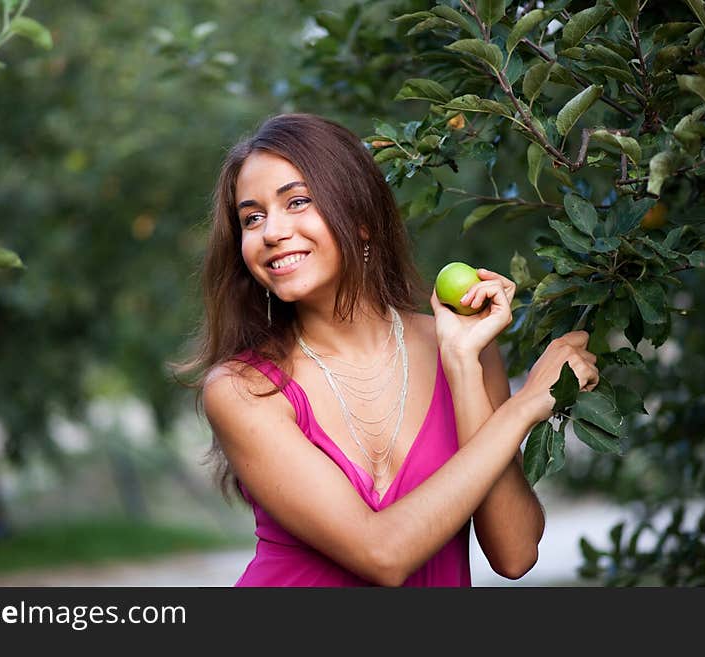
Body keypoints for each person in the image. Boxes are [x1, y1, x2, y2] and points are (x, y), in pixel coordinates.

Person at [175, 113, 599, 587]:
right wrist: (523, 408)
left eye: (297, 202)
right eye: (252, 217)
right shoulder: (243, 389)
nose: (271, 231)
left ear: (360, 220)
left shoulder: (462, 347)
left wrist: (461, 366)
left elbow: (515, 553)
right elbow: (383, 555)